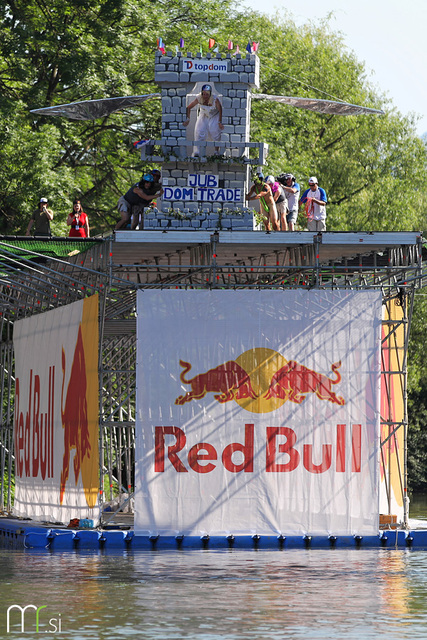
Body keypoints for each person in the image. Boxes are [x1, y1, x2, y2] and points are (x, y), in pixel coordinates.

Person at [183, 84, 224, 157]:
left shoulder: (215, 99)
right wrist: (188, 119)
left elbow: (220, 110)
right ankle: (197, 152)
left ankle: (216, 151)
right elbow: (189, 107)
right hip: (203, 115)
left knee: (215, 131)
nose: (205, 96)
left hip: (214, 116)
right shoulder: (199, 98)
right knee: (199, 131)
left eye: (207, 94)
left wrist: (219, 122)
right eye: (204, 94)